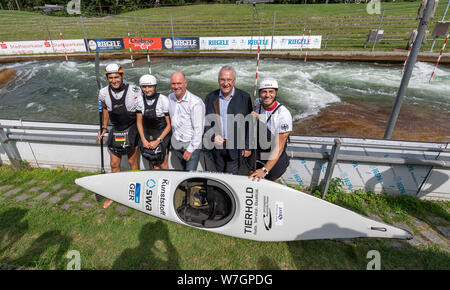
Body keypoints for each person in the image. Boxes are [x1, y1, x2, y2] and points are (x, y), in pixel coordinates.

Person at [97, 63, 140, 208]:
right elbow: (105, 109)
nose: (114, 80)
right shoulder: (103, 92)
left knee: (132, 163)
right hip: (116, 129)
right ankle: (114, 195)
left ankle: (135, 195)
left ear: (122, 76)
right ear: (107, 78)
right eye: (111, 77)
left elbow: (142, 111)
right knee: (114, 164)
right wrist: (103, 127)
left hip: (131, 128)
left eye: (116, 77)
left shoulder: (134, 90)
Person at [204, 66, 253, 174]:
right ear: (218, 81)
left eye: (229, 80)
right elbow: (205, 121)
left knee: (231, 177)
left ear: (234, 81)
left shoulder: (245, 97)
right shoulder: (210, 97)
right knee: (220, 176)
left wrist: (248, 146)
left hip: (236, 147)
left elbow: (250, 124)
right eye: (222, 79)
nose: (226, 83)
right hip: (217, 147)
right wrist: (212, 136)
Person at [248, 78, 292, 182]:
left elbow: (279, 147)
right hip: (260, 147)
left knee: (271, 180)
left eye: (271, 92)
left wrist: (265, 170)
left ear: (276, 93)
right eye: (264, 91)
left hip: (275, 150)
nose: (267, 95)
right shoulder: (257, 103)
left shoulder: (283, 115)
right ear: (259, 93)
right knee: (251, 173)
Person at [168, 72, 205, 171]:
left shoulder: (195, 102)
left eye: (179, 83)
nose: (176, 87)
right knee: (182, 171)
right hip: (176, 142)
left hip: (190, 145)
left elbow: (198, 129)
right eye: (173, 83)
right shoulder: (170, 97)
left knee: (189, 175)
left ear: (185, 84)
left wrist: (190, 150)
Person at [136, 74, 171, 170]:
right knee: (153, 163)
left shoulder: (163, 100)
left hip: (162, 134)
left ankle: (165, 183)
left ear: (155, 86)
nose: (147, 90)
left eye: (150, 86)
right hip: (147, 134)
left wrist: (158, 141)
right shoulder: (139, 100)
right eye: (144, 87)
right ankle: (155, 184)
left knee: (163, 164)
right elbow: (139, 122)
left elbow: (169, 125)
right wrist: (143, 140)